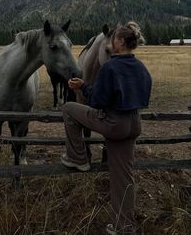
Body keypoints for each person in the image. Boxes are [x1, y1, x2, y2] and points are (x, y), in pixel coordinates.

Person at [60, 22, 152, 235]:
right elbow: (143, 96)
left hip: (113, 123)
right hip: (134, 124)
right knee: (124, 178)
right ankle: (124, 226)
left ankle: (78, 157)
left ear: (119, 42)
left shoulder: (110, 67)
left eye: (114, 39)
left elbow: (96, 102)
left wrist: (82, 86)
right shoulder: (141, 67)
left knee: (69, 109)